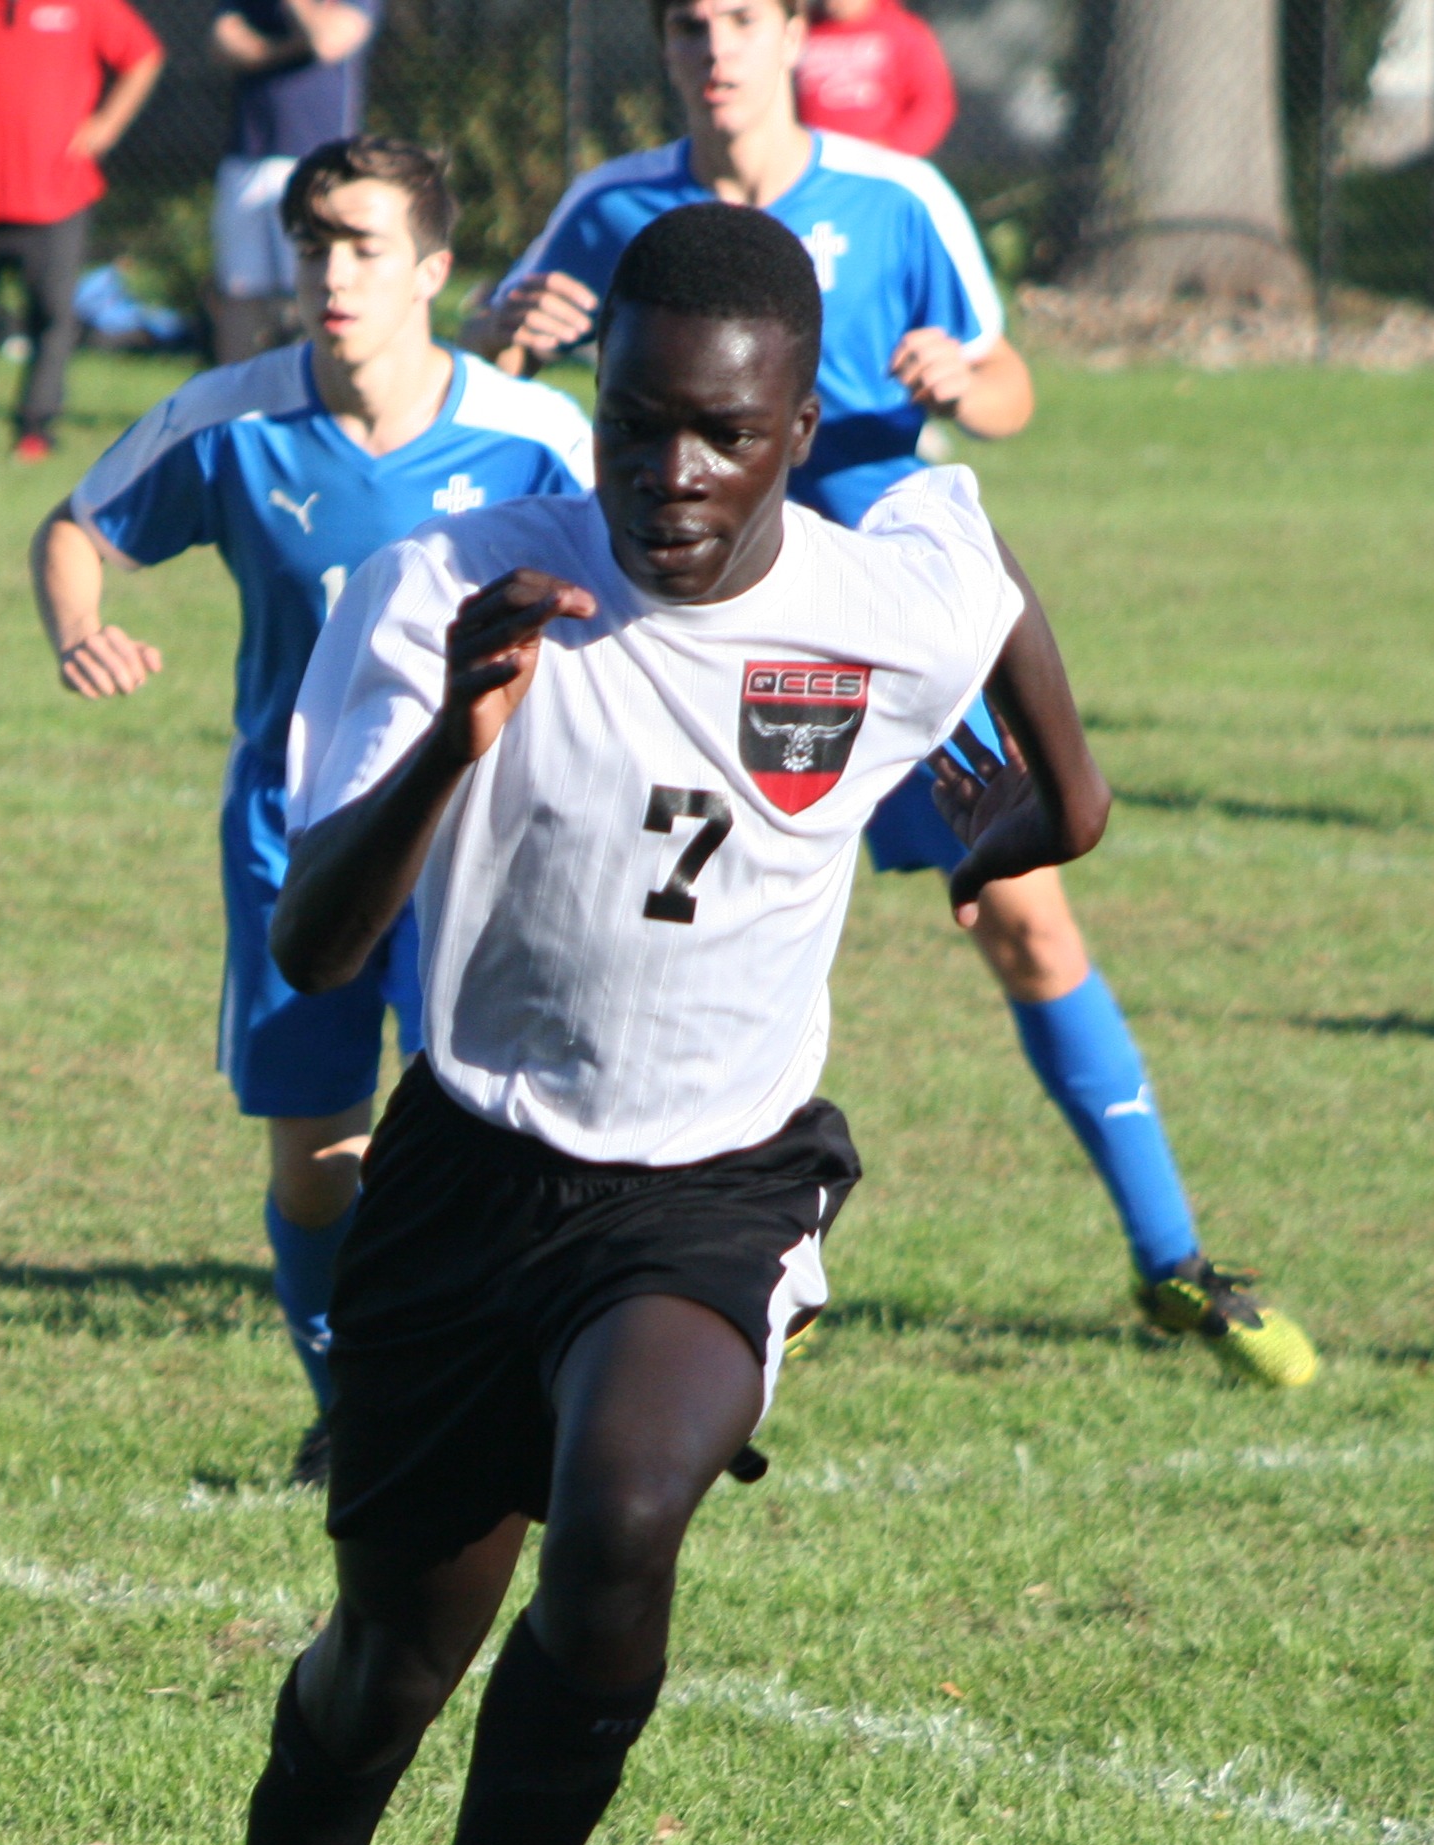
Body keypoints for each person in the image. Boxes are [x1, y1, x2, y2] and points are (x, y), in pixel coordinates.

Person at [137, 199, 1108, 1845]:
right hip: (470, 1170)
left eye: (728, 438)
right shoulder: (444, 583)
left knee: (630, 1513)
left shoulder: (879, 593)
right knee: (381, 1667)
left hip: (717, 1184)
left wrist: (1016, 815)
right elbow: (321, 948)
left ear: (794, 426)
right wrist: (448, 741)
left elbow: (992, 617)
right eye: (640, 425)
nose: (675, 474)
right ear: (594, 398)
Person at [464, 0, 1315, 1387]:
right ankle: (613, 1237)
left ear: (799, 31)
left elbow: (1008, 385)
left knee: (1026, 918)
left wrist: (971, 379)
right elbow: (500, 363)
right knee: (646, 925)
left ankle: (1173, 1262)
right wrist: (512, 328)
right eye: (688, 24)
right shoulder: (612, 205)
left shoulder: (899, 196)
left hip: (873, 638)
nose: (715, 46)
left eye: (744, 18)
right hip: (685, 643)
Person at [32, 137, 591, 1485]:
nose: (333, 274)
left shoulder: (531, 438)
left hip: (476, 828)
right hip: (297, 836)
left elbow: (625, 586)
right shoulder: (232, 419)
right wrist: (79, 624)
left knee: (498, 1133)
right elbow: (76, 525)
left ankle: (519, 1384)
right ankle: (354, 1407)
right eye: (312, 246)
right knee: (321, 1162)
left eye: (364, 246)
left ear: (435, 271)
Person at [0, 0, 166, 464]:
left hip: (58, 196)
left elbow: (143, 56)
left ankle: (36, 429)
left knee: (52, 316)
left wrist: (107, 125)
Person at [206, 0, 380, 367]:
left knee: (313, 288)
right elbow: (223, 43)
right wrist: (287, 49)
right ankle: (237, 405)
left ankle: (311, 399)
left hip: (318, 159)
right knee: (241, 291)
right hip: (247, 157)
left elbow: (327, 42)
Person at [791, 0, 952, 157]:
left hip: (879, 165)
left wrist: (890, 148)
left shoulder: (903, 32)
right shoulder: (805, 30)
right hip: (813, 161)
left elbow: (932, 102)